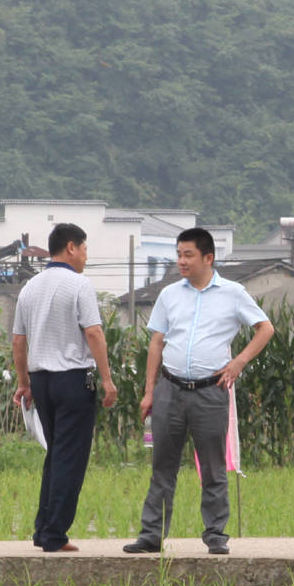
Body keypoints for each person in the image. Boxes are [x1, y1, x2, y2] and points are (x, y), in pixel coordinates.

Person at [124, 227, 274, 555]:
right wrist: (149, 391)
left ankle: (216, 535)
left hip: (210, 392)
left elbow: (265, 328)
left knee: (212, 467)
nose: (181, 261)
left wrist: (238, 363)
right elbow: (156, 342)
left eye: (188, 255)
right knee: (162, 465)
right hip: (170, 388)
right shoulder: (169, 294)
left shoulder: (233, 293)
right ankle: (151, 535)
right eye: (178, 254)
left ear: (208, 258)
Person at [11, 223, 118, 552]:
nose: (86, 257)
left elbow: (18, 341)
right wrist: (107, 379)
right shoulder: (79, 284)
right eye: (84, 249)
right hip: (73, 379)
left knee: (56, 454)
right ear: (70, 247)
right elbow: (94, 334)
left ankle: (43, 529)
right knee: (70, 458)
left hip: (41, 381)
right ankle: (54, 534)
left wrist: (24, 383)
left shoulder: (30, 287)